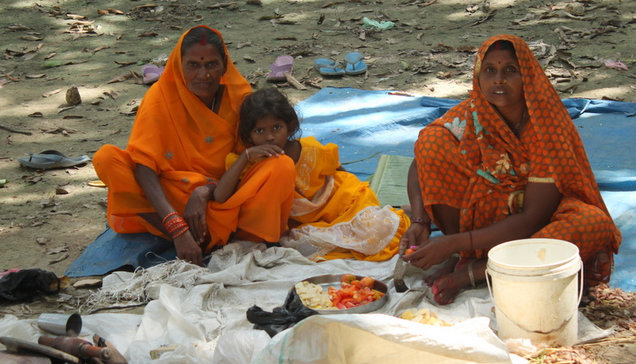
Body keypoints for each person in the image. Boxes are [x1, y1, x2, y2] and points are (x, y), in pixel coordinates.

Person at [400, 34, 621, 305]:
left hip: (537, 228)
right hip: (484, 225)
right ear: (478, 77)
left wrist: (453, 244)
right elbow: (420, 162)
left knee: (592, 222)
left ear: (527, 76)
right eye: (490, 70)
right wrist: (420, 221)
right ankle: (474, 255)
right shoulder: (473, 113)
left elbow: (532, 218)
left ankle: (478, 271)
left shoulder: (546, 127)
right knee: (432, 141)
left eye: (510, 71)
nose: (499, 80)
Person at [92, 26, 296, 266]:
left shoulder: (239, 96)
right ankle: (185, 239)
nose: (204, 74)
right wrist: (176, 228)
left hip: (223, 198)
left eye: (211, 64)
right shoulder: (160, 97)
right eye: (193, 65)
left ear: (224, 64)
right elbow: (143, 164)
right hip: (172, 201)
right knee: (106, 158)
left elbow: (253, 157)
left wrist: (204, 191)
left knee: (280, 165)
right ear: (180, 65)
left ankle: (243, 239)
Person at [216, 88, 409, 261]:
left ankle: (403, 212)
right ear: (249, 136)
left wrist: (363, 199)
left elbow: (341, 174)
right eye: (260, 130)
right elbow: (220, 196)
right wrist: (246, 156)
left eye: (277, 127)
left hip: (341, 203)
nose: (270, 137)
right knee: (302, 244)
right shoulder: (249, 162)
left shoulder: (310, 149)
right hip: (307, 224)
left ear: (290, 126)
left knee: (379, 228)